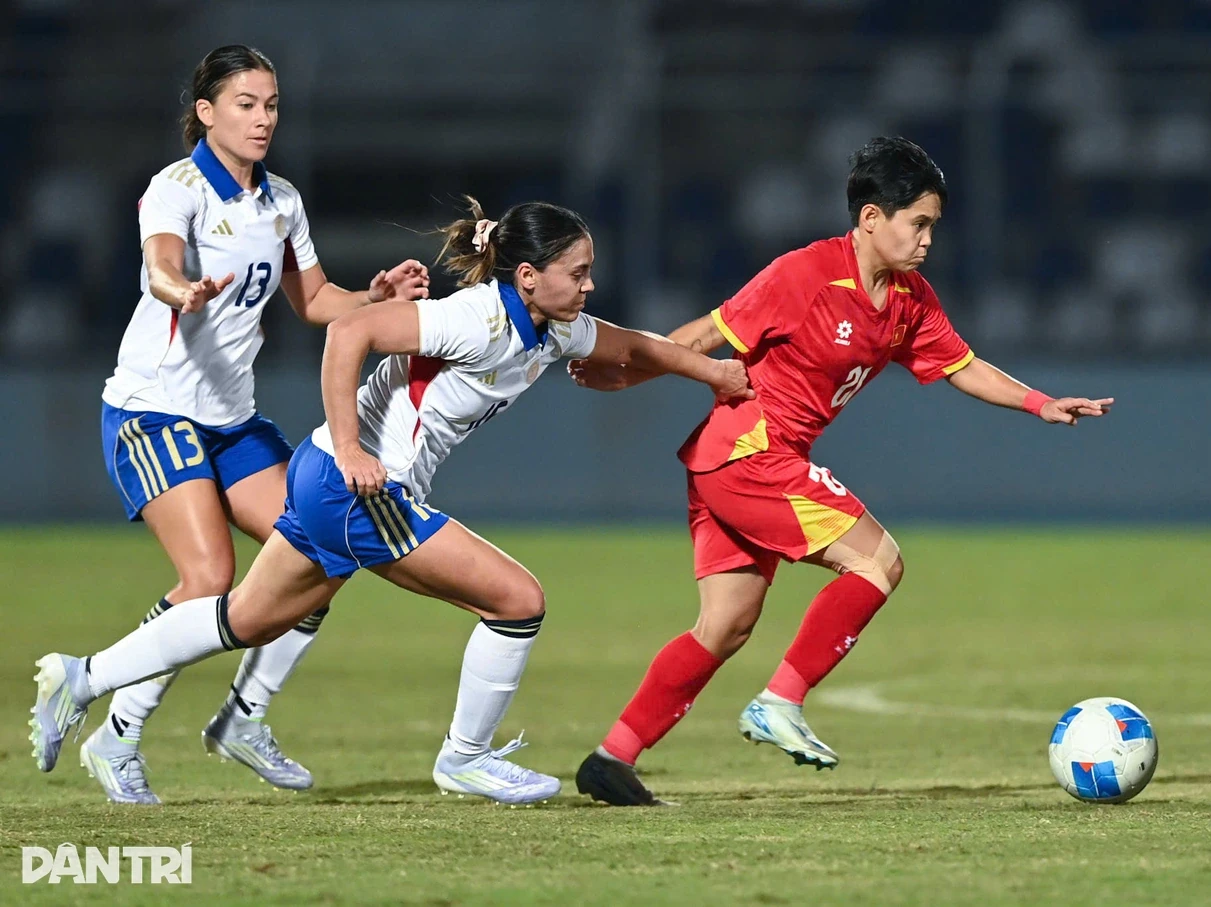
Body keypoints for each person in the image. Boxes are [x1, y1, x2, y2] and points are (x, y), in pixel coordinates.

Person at [31, 197, 753, 806]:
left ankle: (82, 675)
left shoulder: (552, 326)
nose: (590, 283)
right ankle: (464, 757)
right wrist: (351, 447)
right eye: (579, 271)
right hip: (356, 488)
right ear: (528, 276)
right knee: (517, 600)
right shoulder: (476, 319)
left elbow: (633, 345)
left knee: (241, 619)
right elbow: (350, 330)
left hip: (325, 483)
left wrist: (712, 374)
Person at [569, 136, 1114, 806]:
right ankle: (780, 699)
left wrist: (1040, 402)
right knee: (879, 561)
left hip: (730, 461)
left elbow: (963, 365)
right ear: (871, 220)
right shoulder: (804, 275)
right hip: (751, 452)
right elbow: (701, 337)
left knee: (726, 624)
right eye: (918, 224)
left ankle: (611, 756)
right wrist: (623, 376)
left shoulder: (910, 300)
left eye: (933, 227)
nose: (926, 241)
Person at [88, 45, 430, 804]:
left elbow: (314, 303)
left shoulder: (282, 201)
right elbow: (158, 265)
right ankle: (116, 733)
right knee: (208, 577)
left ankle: (243, 717)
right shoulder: (174, 189)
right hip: (153, 412)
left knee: (324, 551)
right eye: (246, 103)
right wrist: (182, 290)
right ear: (206, 113)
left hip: (233, 421)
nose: (263, 118)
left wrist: (375, 297)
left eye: (271, 104)